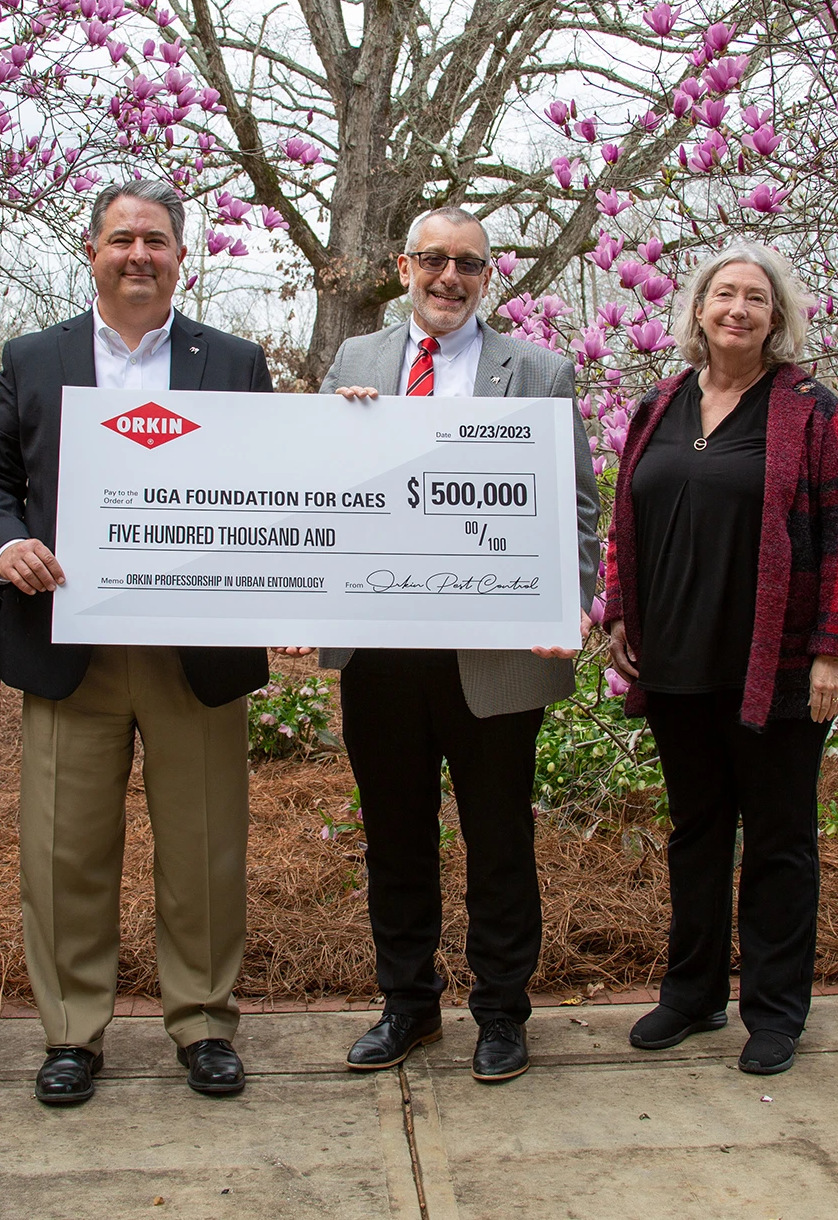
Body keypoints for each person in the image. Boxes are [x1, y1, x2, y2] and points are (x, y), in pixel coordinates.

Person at [0, 180, 275, 1106]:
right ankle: (70, 1032)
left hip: (198, 650)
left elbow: (279, 476)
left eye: (157, 240)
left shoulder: (233, 360)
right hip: (70, 649)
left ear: (184, 256)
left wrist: (344, 426)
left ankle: (205, 1024)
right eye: (121, 238)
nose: (139, 253)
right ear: (91, 251)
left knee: (206, 849)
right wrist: (5, 541)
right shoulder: (33, 357)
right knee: (65, 853)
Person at [320, 206, 600, 1085]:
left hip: (496, 654)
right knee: (395, 836)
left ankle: (502, 1014)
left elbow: (578, 507)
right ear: (405, 267)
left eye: (469, 264)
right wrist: (342, 431)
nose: (450, 277)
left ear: (489, 276)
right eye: (434, 260)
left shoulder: (540, 371)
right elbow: (318, 488)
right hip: (380, 652)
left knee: (499, 840)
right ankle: (408, 1004)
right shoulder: (356, 362)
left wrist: (570, 606)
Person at [600, 240, 838, 1077]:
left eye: (756, 297)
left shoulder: (811, 411)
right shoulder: (661, 403)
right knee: (697, 831)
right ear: (698, 309)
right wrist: (619, 611)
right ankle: (692, 993)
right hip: (678, 659)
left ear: (776, 317)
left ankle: (776, 1010)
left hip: (779, 665)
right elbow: (628, 517)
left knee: (781, 838)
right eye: (724, 294)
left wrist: (834, 650)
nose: (738, 309)